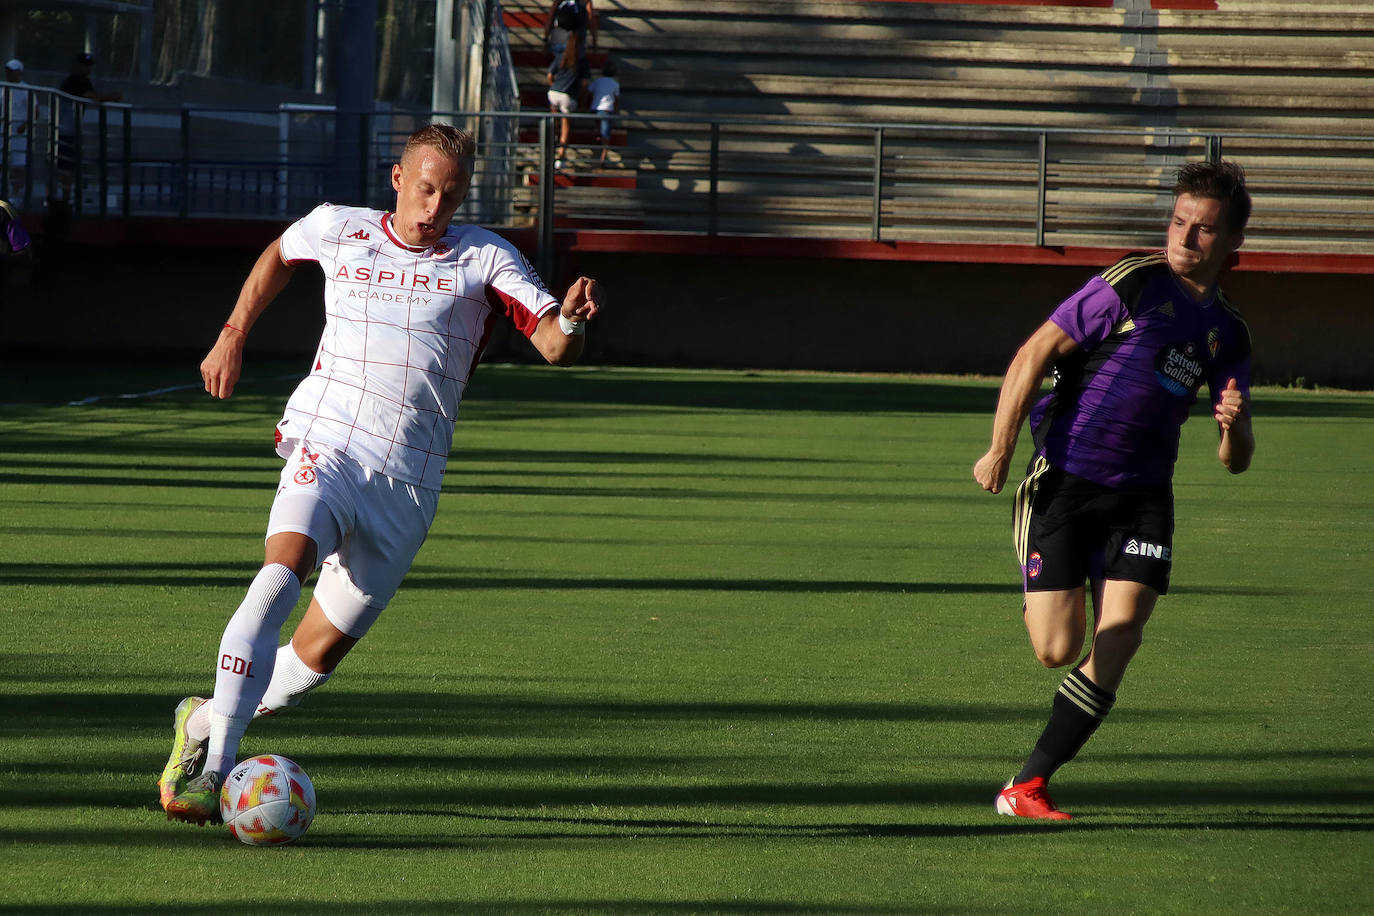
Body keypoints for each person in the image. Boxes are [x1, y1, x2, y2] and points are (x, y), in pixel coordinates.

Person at [159, 123, 605, 825]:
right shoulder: (341, 228)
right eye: (425, 189)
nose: (435, 209)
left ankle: (205, 718)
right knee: (281, 572)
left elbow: (553, 345)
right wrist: (233, 332)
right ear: (398, 180)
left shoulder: (484, 257)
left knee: (306, 666)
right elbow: (279, 253)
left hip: (407, 485)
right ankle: (212, 773)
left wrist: (574, 324)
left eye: (450, 197)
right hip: (327, 444)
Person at [973, 159, 1255, 820]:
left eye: (1204, 229)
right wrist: (999, 447)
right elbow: (1034, 351)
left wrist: (1234, 429)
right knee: (1056, 650)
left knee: (1120, 638)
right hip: (1067, 481)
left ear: (1232, 242)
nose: (1185, 237)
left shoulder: (1230, 333)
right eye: (1179, 221)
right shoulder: (1132, 282)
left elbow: (1235, 459)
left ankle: (1028, 784)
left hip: (1145, 500)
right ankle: (1057, 583)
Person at [56, 51, 120, 200]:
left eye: (89, 66)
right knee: (64, 165)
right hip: (65, 130)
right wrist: (112, 97)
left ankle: (66, 197)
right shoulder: (75, 80)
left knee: (69, 165)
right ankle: (63, 198)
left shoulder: (83, 81)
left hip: (70, 129)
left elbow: (93, 96)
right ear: (78, 66)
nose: (88, 69)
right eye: (85, 66)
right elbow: (93, 97)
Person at [546, 33, 590, 169]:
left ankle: (551, 146)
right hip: (568, 96)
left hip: (553, 92)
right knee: (566, 127)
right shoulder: (582, 60)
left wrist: (554, 85)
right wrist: (582, 99)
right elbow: (584, 84)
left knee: (554, 122)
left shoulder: (560, 56)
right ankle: (561, 156)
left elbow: (549, 75)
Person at [586, 59, 620, 166]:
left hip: (595, 109)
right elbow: (616, 99)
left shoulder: (597, 81)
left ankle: (598, 136)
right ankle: (603, 157)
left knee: (599, 129)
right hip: (606, 110)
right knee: (606, 134)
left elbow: (588, 91)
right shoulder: (615, 84)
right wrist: (616, 111)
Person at [3, 59, 29, 196]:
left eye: (12, 71)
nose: (9, 74)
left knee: (18, 167)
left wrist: (24, 125)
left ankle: (16, 194)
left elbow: (34, 111)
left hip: (19, 136)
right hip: (2, 134)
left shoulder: (26, 89)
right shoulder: (2, 88)